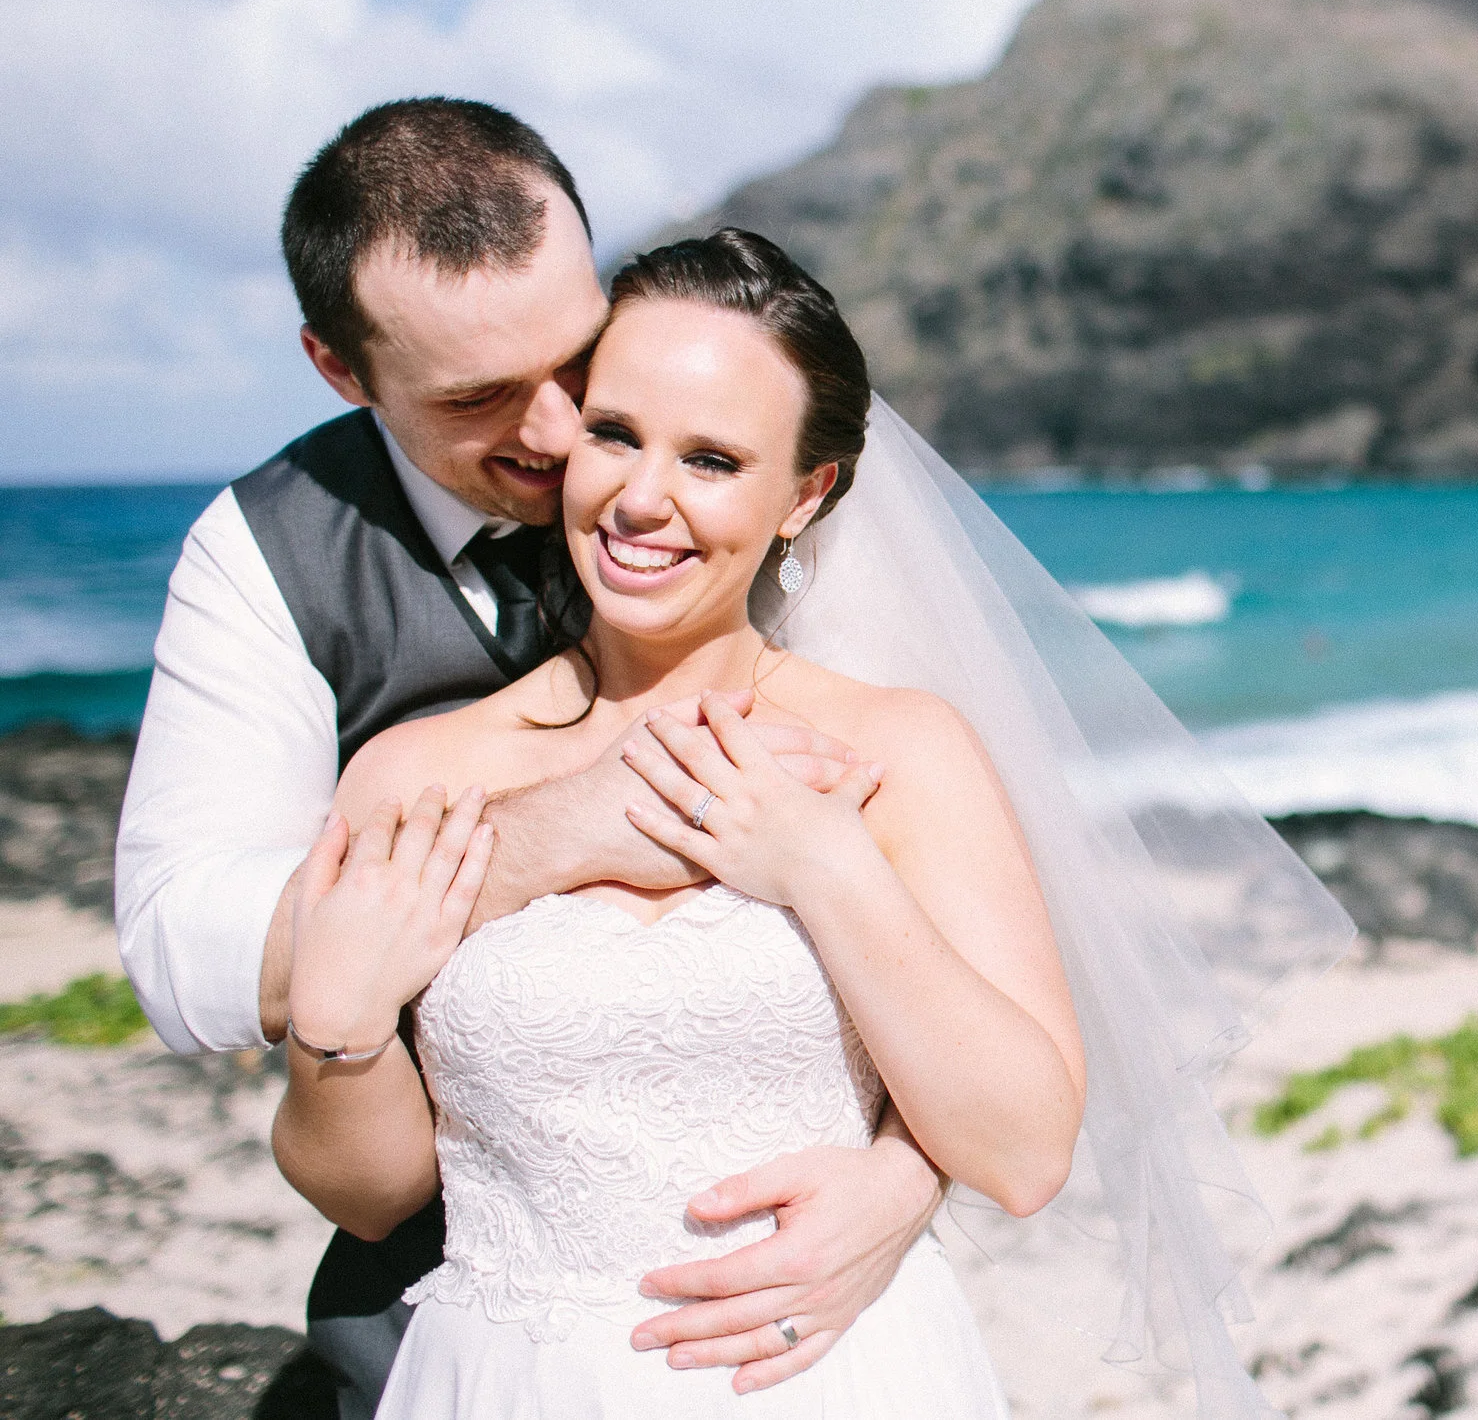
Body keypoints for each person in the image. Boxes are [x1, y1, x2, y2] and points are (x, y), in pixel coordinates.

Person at [114, 101, 953, 1418]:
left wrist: (914, 1166)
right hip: (454, 1283)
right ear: (340, 368)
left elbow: (942, 891)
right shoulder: (262, 553)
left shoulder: (687, 470)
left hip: (795, 1289)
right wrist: (539, 835)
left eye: (577, 362)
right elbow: (176, 943)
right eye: (479, 397)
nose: (567, 435)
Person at [274, 230, 1083, 1415]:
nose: (640, 498)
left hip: (824, 1377)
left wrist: (821, 861)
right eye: (615, 434)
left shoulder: (900, 750)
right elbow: (370, 1195)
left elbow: (1022, 1153)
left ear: (805, 494)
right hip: (509, 1377)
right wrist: (332, 1029)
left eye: (710, 459)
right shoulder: (418, 769)